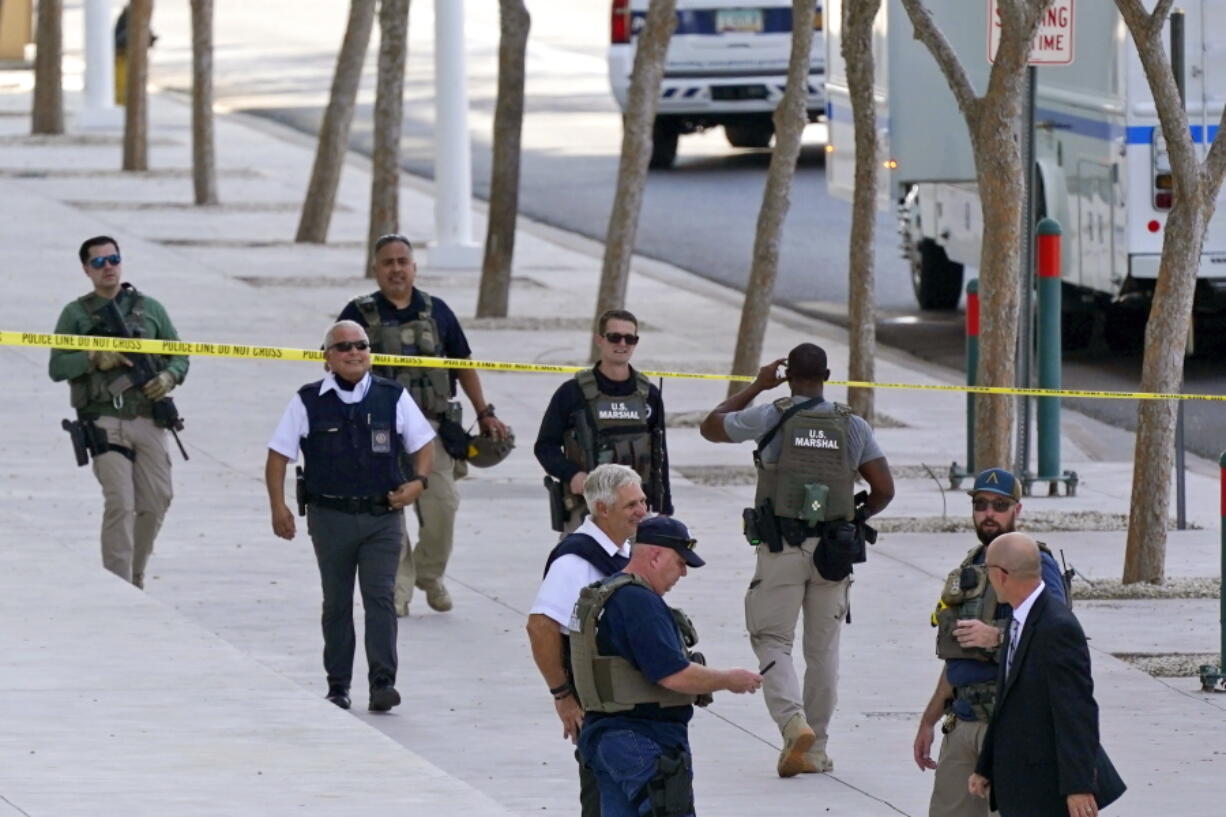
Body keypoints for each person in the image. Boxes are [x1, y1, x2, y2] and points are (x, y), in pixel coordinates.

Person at [699, 343, 894, 777]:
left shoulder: (771, 414)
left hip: (780, 548)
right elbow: (884, 488)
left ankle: (792, 722)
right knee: (823, 652)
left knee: (772, 638)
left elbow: (710, 427)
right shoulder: (853, 425)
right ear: (827, 375)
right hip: (834, 554)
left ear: (788, 375)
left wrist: (756, 385)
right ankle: (816, 749)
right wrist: (857, 516)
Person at [264, 320, 435, 712]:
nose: (353, 352)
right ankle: (338, 685)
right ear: (327, 359)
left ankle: (382, 684)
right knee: (336, 603)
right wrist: (278, 506)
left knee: (379, 599)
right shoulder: (308, 401)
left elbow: (424, 443)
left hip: (382, 517)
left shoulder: (392, 396)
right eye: (343, 347)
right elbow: (277, 456)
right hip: (331, 518)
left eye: (360, 345)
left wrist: (419, 481)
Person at [338, 234, 509, 616]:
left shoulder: (438, 312)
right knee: (388, 511)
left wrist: (485, 412)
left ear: (414, 267)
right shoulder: (357, 315)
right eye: (388, 262)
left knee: (443, 507)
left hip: (431, 431)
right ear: (376, 269)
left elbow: (463, 364)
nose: (396, 269)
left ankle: (429, 575)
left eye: (403, 261)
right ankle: (398, 591)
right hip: (376, 430)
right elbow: (335, 364)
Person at [572, 517, 762, 817]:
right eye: (680, 562)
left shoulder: (607, 593)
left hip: (606, 738)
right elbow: (673, 674)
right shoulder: (638, 602)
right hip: (642, 739)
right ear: (656, 556)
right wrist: (729, 680)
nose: (684, 572)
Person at [912, 468, 1068, 817]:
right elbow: (957, 657)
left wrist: (997, 636)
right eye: (981, 504)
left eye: (1000, 505)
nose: (989, 513)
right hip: (963, 722)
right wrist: (928, 720)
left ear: (1017, 510)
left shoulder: (1034, 563)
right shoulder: (971, 565)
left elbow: (1056, 637)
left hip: (1012, 726)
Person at [49, 235, 189, 589]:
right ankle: (118, 584)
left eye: (113, 259)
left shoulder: (150, 309)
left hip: (147, 417)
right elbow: (57, 366)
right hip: (102, 419)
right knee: (120, 502)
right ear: (86, 269)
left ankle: (135, 574)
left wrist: (169, 377)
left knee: (157, 500)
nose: (108, 267)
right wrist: (93, 357)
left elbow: (180, 354)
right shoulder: (76, 314)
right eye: (98, 262)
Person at [970, 533, 1126, 817]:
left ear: (1001, 575)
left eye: (988, 570)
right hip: (1019, 784)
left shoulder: (1057, 627)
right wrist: (985, 766)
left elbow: (1077, 711)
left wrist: (1079, 785)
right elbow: (1006, 702)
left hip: (1047, 789)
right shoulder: (1020, 619)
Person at [527, 464, 648, 817]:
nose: (642, 511)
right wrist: (562, 696)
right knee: (601, 799)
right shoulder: (575, 561)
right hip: (596, 705)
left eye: (643, 500)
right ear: (602, 509)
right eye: (631, 506)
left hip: (624, 702)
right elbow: (540, 627)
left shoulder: (622, 549)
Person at [535, 309, 672, 534]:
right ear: (600, 340)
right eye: (614, 337)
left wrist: (664, 508)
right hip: (587, 508)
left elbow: (659, 454)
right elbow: (545, 446)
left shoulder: (649, 395)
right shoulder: (572, 393)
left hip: (638, 511)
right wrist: (572, 474)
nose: (622, 343)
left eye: (630, 338)